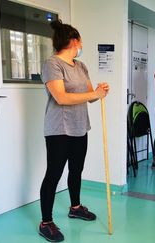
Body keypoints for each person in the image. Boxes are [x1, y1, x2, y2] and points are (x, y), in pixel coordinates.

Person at [39, 19, 109, 242]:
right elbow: (61, 97)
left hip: (80, 126)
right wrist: (93, 94)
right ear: (73, 41)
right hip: (59, 128)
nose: (81, 45)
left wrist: (100, 91)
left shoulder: (81, 66)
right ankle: (46, 222)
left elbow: (90, 97)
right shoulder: (52, 64)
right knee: (54, 174)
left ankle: (75, 207)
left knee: (76, 170)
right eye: (80, 41)